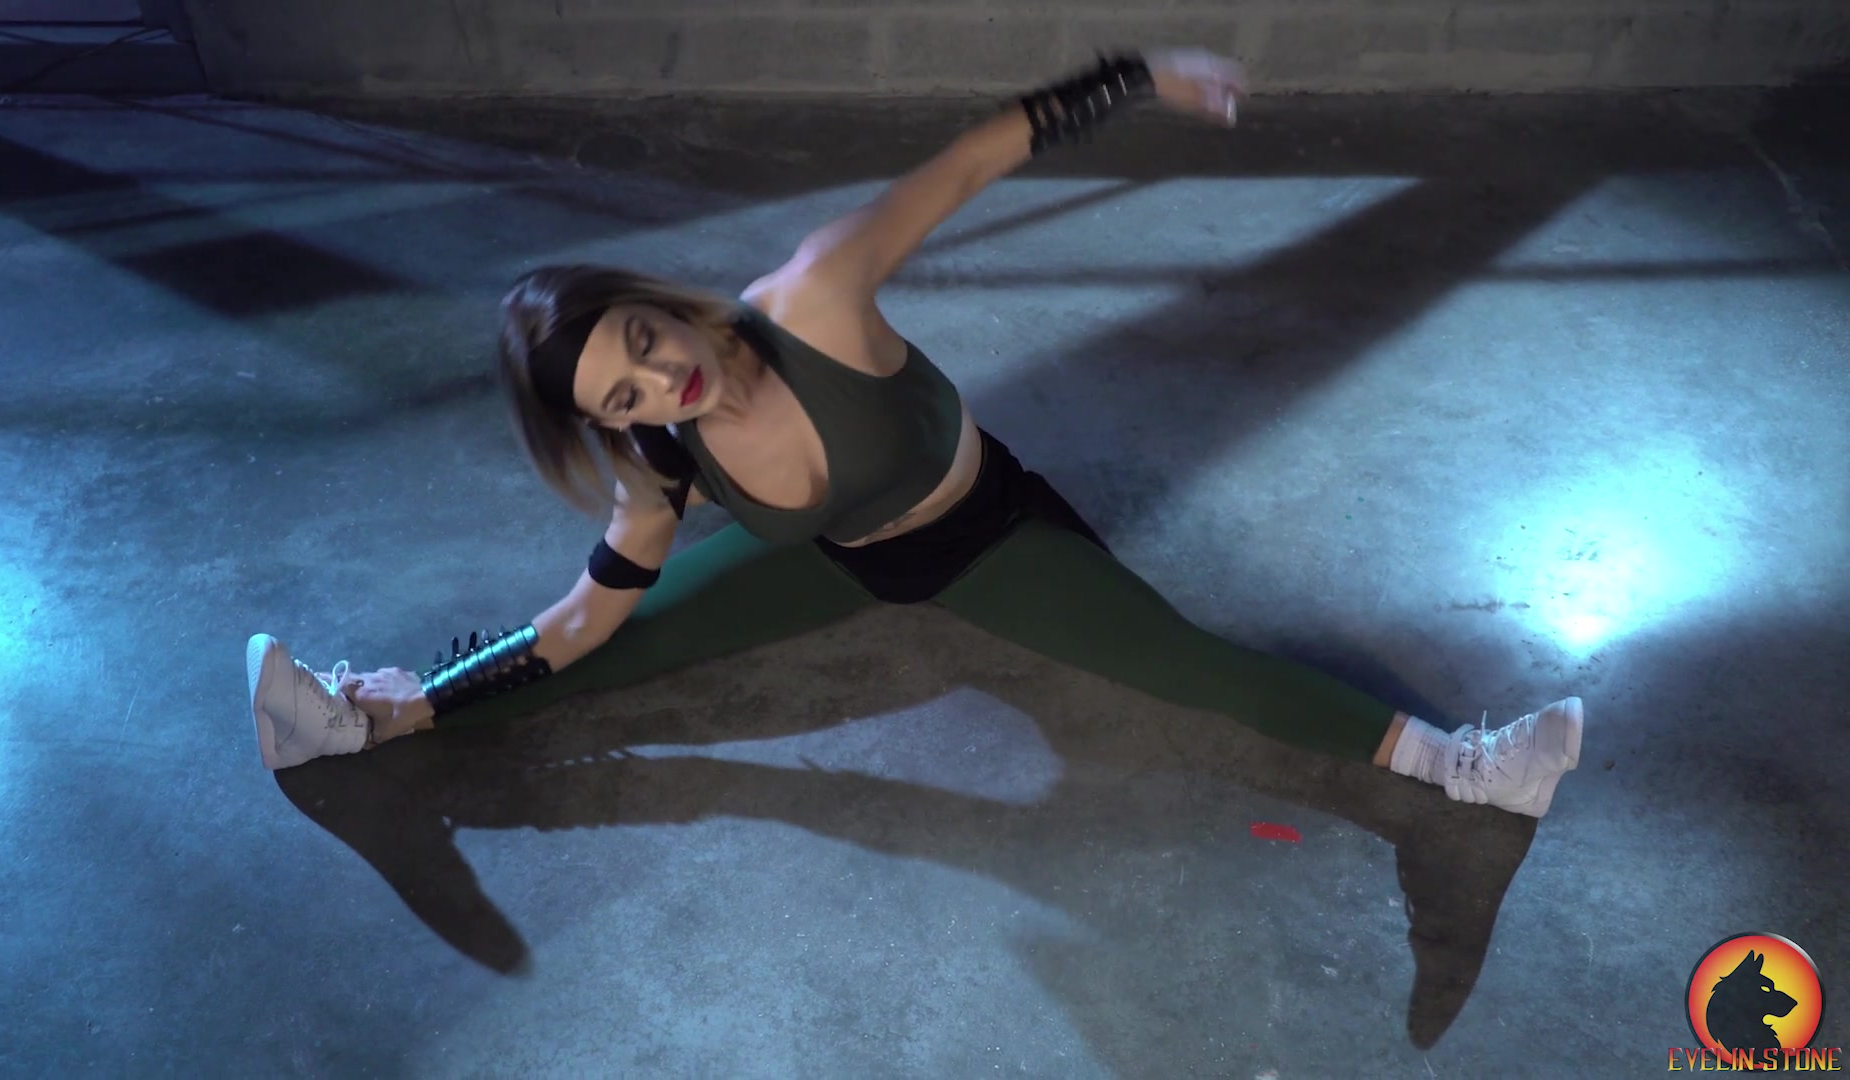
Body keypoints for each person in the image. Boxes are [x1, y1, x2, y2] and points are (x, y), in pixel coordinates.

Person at [246, 47, 1584, 818]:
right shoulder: (659, 464)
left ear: (658, 306)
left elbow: (968, 161)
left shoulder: (814, 296)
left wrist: (1139, 73)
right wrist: (451, 689)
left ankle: (1468, 773)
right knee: (610, 651)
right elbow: (583, 617)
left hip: (985, 535)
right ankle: (368, 719)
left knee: (1183, 663)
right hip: (838, 554)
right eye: (624, 400)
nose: (663, 387)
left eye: (645, 345)